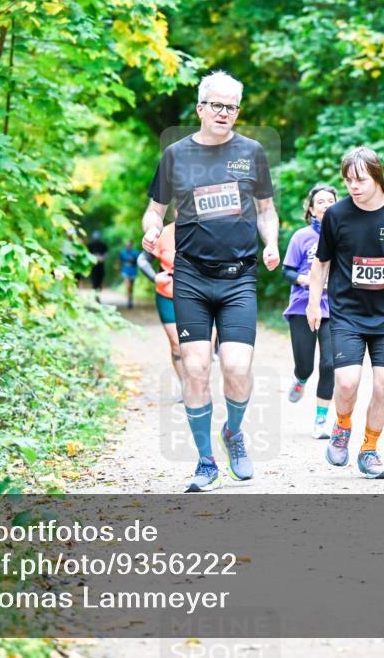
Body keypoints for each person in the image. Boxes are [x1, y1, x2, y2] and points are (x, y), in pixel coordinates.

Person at [141, 70, 279, 492]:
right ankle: (205, 462)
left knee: (237, 367)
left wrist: (271, 241)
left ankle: (233, 432)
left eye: (232, 107)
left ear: (238, 112)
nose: (224, 113)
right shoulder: (176, 156)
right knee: (196, 369)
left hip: (238, 278)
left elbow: (266, 209)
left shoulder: (252, 152)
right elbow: (154, 211)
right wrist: (150, 229)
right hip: (191, 278)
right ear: (201, 108)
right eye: (217, 105)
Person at [306, 147, 384, 480]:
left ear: (376, 175)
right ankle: (342, 426)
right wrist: (313, 302)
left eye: (359, 179)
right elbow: (321, 262)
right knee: (347, 382)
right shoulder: (336, 215)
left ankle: (369, 449)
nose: (353, 187)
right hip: (347, 312)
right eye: (347, 180)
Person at [282, 184, 337, 439]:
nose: (326, 205)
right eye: (320, 202)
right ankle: (300, 379)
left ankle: (321, 420)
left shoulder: (345, 236)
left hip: (335, 307)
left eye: (330, 200)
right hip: (303, 306)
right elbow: (287, 271)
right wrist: (309, 280)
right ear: (312, 210)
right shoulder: (301, 237)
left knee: (330, 363)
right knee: (305, 365)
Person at [137, 223, 185, 402]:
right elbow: (142, 260)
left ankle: (198, 384)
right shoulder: (164, 233)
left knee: (202, 347)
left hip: (201, 297)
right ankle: (186, 386)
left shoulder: (207, 229)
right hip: (168, 294)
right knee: (176, 344)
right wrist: (154, 277)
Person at [87, 231, 108, 302]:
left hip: (100, 268)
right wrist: (94, 257)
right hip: (93, 268)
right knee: (94, 283)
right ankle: (95, 297)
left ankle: (98, 297)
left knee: (99, 283)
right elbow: (87, 255)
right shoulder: (90, 246)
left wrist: (102, 258)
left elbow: (106, 254)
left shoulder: (103, 245)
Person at [120, 240, 139, 309]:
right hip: (125, 270)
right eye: (126, 245)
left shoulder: (136, 252)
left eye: (129, 245)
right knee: (127, 286)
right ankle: (128, 300)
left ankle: (130, 298)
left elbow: (138, 261)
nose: (128, 246)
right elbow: (121, 261)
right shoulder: (122, 252)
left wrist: (133, 260)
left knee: (131, 287)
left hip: (133, 270)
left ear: (131, 245)